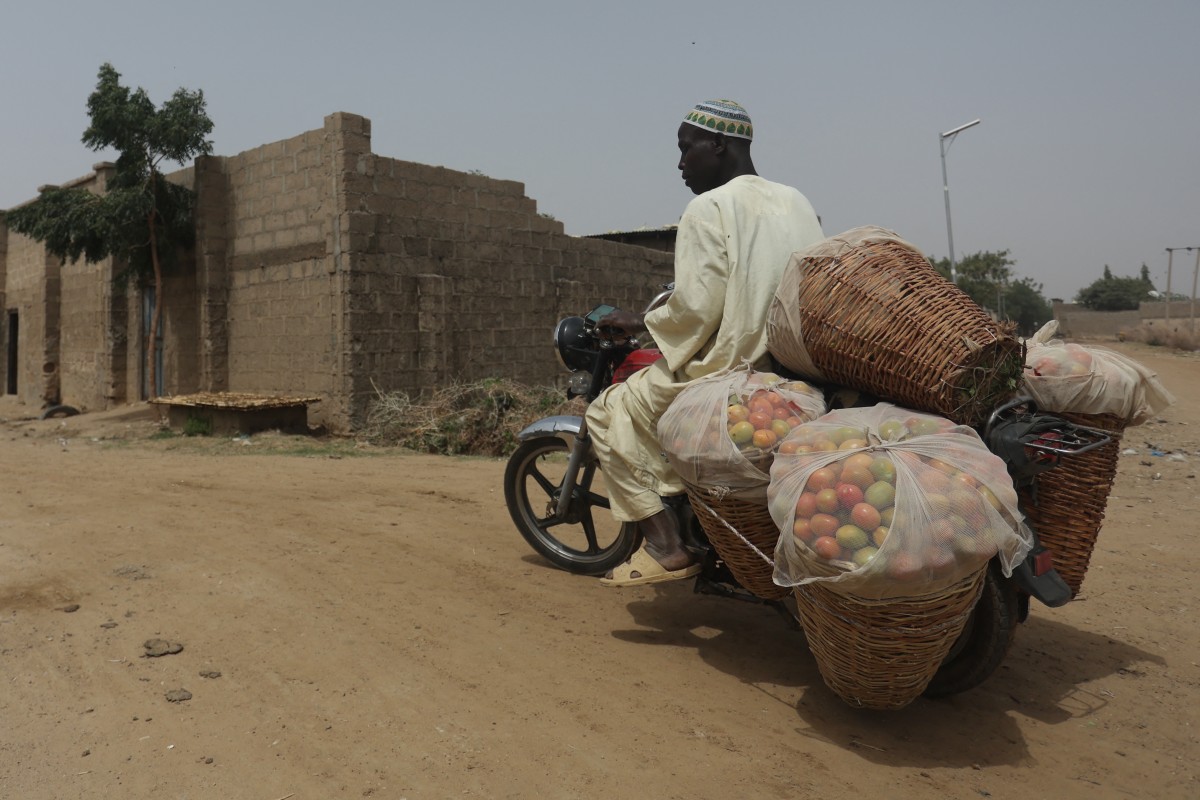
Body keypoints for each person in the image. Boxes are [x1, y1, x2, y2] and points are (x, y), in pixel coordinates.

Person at [588, 99, 825, 587]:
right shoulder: (797, 200)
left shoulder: (707, 207)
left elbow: (696, 308)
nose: (679, 164)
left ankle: (666, 543)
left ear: (717, 145)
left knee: (609, 410)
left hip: (728, 370)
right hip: (793, 368)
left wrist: (641, 320)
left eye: (684, 148)